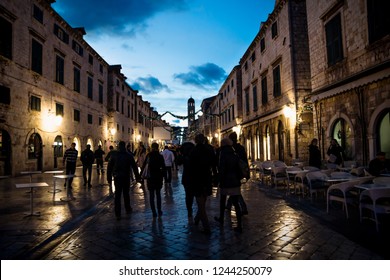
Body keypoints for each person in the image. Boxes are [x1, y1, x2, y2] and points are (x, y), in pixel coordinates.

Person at [188, 134, 217, 234]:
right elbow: (214, 164)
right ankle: (197, 219)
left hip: (197, 179)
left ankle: (206, 227)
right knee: (203, 201)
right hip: (207, 178)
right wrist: (215, 177)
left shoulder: (194, 151)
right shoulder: (209, 150)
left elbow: (190, 168)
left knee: (201, 204)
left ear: (196, 141)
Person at [214, 138, 243, 232]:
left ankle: (221, 219)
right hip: (235, 181)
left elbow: (221, 169)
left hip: (226, 181)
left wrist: (218, 180)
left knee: (222, 201)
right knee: (236, 203)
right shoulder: (235, 154)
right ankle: (239, 225)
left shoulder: (223, 154)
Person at [108, 141, 140, 220]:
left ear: (118, 146)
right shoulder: (128, 155)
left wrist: (108, 178)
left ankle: (117, 213)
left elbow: (109, 167)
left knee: (117, 195)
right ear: (125, 146)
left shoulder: (114, 155)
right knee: (126, 193)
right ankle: (128, 208)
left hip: (117, 177)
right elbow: (134, 167)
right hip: (126, 176)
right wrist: (137, 177)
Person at [141, 142, 166, 218]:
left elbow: (144, 166)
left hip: (150, 177)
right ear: (158, 147)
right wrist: (163, 176)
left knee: (151, 195)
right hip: (158, 177)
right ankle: (159, 210)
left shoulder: (149, 156)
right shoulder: (160, 156)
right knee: (158, 194)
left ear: (152, 147)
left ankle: (153, 212)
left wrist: (140, 175)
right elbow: (163, 167)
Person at [226, 132, 249, 215]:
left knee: (235, 191)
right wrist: (247, 173)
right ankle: (228, 205)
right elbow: (245, 161)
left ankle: (243, 207)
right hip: (240, 172)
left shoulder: (231, 148)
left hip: (233, 173)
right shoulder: (241, 148)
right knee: (234, 190)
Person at [180, 142, 195, 218]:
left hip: (186, 178)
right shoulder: (195, 157)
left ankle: (189, 209)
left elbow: (178, 162)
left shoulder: (184, 158)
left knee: (188, 195)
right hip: (194, 178)